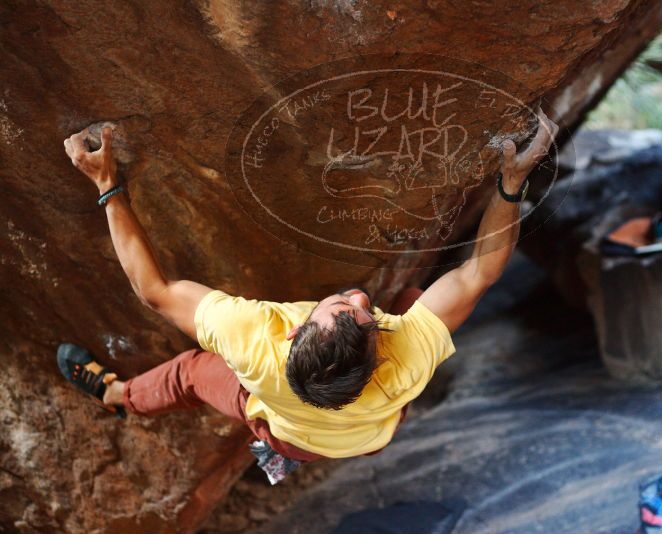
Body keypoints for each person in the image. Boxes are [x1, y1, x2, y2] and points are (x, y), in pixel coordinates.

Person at [58, 109, 557, 465]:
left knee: (191, 371)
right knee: (411, 303)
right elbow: (479, 273)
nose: (360, 297)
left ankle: (118, 395)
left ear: (293, 333)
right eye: (362, 313)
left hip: (289, 438)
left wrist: (108, 186)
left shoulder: (253, 343)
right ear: (381, 357)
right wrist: (512, 183)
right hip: (365, 439)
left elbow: (155, 290)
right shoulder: (409, 355)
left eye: (346, 305)